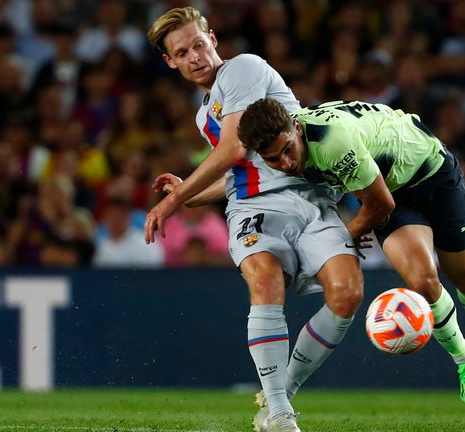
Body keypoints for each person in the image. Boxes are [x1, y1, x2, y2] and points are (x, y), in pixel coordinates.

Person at [143, 8, 363, 432]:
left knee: (348, 293)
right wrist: (188, 197)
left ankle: (280, 395)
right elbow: (240, 175)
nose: (195, 57)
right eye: (182, 52)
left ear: (213, 38)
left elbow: (234, 151)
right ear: (170, 61)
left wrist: (173, 202)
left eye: (199, 45)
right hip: (255, 207)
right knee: (264, 277)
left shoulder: (242, 69)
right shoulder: (204, 110)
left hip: (310, 196)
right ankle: (280, 415)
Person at [238, 98, 465, 406]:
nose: (286, 164)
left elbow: (379, 205)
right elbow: (242, 184)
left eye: (288, 150)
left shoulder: (332, 143)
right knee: (423, 281)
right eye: (274, 159)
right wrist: (184, 194)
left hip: (432, 172)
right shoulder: (278, 151)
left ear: (297, 128)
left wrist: (349, 234)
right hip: (392, 192)